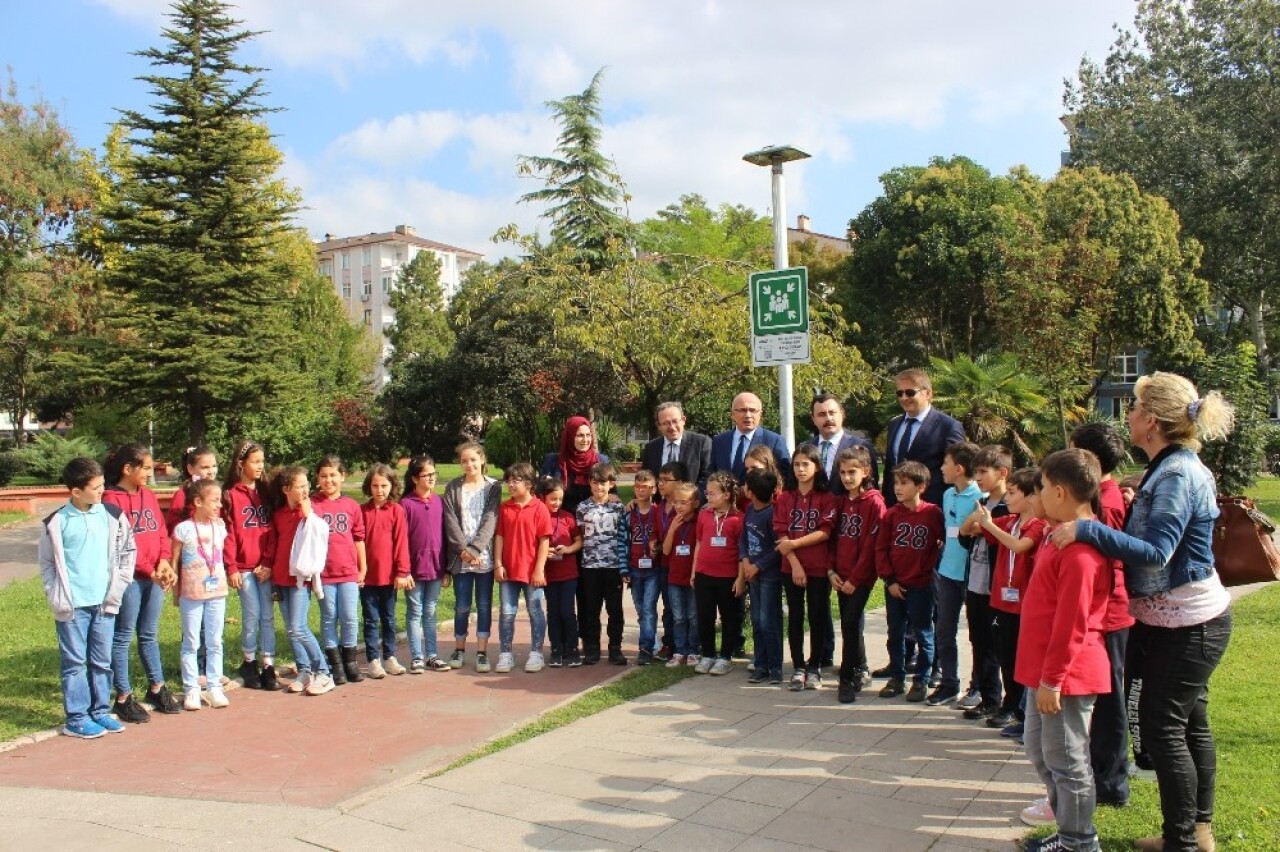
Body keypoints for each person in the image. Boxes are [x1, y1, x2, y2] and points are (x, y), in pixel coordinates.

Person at [1050, 373, 1234, 852]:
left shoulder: (1176, 473)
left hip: (1189, 624)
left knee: (1164, 728)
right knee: (1189, 724)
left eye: (1132, 407)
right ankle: (1195, 832)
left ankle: (1184, 842)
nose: (1126, 415)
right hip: (1177, 619)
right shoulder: (1171, 465)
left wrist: (1087, 531)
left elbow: (1156, 552)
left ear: (1151, 421)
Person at [1017, 449, 1115, 852]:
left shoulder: (1080, 553)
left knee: (1068, 762)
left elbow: (1073, 623)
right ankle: (1067, 828)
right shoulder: (1059, 534)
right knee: (1040, 752)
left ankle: (1080, 841)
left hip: (1065, 676)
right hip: (1040, 670)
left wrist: (1052, 680)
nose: (1034, 494)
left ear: (1058, 492)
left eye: (1039, 487)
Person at [39, 457, 136, 738]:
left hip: (104, 603)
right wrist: (55, 594)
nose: (101, 491)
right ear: (75, 492)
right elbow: (46, 563)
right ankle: (77, 717)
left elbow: (128, 552)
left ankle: (100, 710)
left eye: (102, 485)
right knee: (74, 662)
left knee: (101, 660)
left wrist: (118, 586)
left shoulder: (113, 516)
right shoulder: (56, 522)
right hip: (72, 607)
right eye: (95, 487)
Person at [1069, 422, 1135, 810]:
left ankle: (1111, 783)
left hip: (1110, 612)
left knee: (1111, 701)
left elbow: (1108, 562)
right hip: (1105, 611)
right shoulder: (1104, 495)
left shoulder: (1106, 502)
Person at [103, 443, 180, 721]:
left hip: (153, 576)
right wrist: (151, 570)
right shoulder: (111, 500)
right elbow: (120, 545)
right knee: (123, 635)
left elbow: (160, 531)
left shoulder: (148, 495)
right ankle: (122, 695)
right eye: (146, 468)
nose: (150, 473)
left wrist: (164, 562)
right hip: (129, 579)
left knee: (149, 633)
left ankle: (157, 687)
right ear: (128, 469)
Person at [975, 467, 1047, 735]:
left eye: (1013, 492)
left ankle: (1021, 710)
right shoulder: (1010, 521)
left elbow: (1019, 546)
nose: (1007, 497)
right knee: (1005, 656)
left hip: (1024, 604)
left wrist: (989, 523)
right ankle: (1012, 706)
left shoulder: (1037, 525)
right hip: (1001, 602)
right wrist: (982, 513)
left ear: (1031, 497)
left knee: (1022, 659)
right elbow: (969, 528)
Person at [262, 465, 334, 696]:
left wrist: (308, 513)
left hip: (300, 579)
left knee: (298, 627)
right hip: (281, 577)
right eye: (300, 486)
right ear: (286, 490)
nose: (305, 490)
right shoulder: (280, 515)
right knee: (291, 630)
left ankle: (323, 671)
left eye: (306, 485)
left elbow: (320, 534)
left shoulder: (310, 512)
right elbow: (275, 544)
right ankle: (304, 670)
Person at [876, 461, 944, 701]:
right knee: (895, 633)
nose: (898, 488)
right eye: (896, 482)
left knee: (924, 633)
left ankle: (922, 680)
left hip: (922, 585)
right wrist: (890, 580)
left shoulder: (933, 513)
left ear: (921, 486)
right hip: (895, 586)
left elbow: (943, 541)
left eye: (904, 483)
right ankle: (897, 677)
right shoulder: (892, 514)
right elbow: (881, 549)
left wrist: (931, 567)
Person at [774, 443, 838, 691]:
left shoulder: (827, 498)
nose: (800, 469)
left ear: (817, 466)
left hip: (819, 567)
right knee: (796, 616)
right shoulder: (785, 498)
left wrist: (794, 543)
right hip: (791, 568)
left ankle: (815, 667)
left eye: (806, 464)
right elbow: (780, 533)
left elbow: (825, 532)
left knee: (818, 615)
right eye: (797, 464)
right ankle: (799, 666)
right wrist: (794, 563)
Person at [957, 445, 1011, 719]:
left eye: (982, 472)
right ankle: (988, 698)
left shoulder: (1009, 504)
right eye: (975, 471)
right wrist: (974, 524)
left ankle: (1010, 704)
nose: (977, 477)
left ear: (1002, 473)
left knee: (1001, 646)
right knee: (979, 642)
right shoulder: (983, 502)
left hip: (998, 588)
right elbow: (964, 534)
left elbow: (987, 530)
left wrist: (980, 525)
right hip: (976, 584)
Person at [170, 478, 233, 711]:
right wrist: (176, 593)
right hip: (192, 594)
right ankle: (192, 688)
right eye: (214, 500)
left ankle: (214, 686)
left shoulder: (220, 527)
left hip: (217, 591)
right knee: (192, 641)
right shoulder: (183, 529)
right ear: (198, 501)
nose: (219, 505)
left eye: (220, 500)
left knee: (215, 640)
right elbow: (174, 563)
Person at [829, 446, 885, 704]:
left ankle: (847, 678)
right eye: (843, 472)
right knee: (849, 625)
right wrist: (831, 570)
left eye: (852, 472)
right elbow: (831, 540)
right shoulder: (840, 502)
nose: (847, 477)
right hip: (839, 575)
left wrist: (855, 579)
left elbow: (872, 545)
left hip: (859, 578)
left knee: (850, 623)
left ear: (866, 472)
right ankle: (860, 666)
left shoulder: (874, 502)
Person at [221, 439, 278, 691]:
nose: (260, 466)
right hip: (243, 568)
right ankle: (249, 661)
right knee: (251, 613)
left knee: (267, 615)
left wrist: (268, 562)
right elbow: (229, 534)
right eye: (255, 461)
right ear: (241, 463)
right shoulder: (230, 495)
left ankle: (268, 663)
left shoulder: (266, 492)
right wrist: (231, 566)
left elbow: (273, 530)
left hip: (264, 567)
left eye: (262, 462)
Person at [930, 441, 983, 706]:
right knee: (944, 628)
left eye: (945, 464)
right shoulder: (948, 495)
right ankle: (949, 683)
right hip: (948, 571)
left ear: (959, 469)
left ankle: (978, 685)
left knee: (977, 634)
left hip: (973, 574)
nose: (941, 468)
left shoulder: (980, 497)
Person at [443, 442, 502, 672]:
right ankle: (459, 649)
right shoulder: (453, 488)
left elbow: (491, 519)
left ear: (482, 460)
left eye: (473, 460)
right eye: (464, 461)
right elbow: (451, 522)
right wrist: (464, 551)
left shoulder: (493, 487)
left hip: (484, 558)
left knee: (485, 605)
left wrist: (476, 550)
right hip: (461, 559)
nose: (469, 464)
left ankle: (481, 652)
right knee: (462, 605)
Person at [493, 462, 552, 673]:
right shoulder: (505, 507)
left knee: (535, 611)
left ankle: (536, 653)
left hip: (531, 571)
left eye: (515, 481)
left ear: (528, 484)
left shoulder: (539, 508)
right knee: (507, 613)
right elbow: (499, 536)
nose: (510, 485)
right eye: (508, 481)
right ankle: (505, 654)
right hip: (508, 570)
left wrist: (539, 569)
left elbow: (544, 541)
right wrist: (498, 564)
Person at [313, 455, 366, 685]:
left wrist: (362, 567)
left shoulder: (352, 506)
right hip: (324, 573)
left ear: (342, 476)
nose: (328, 480)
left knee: (350, 617)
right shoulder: (313, 505)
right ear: (317, 479)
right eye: (323, 476)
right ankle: (334, 663)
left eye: (333, 475)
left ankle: (350, 661)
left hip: (348, 572)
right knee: (329, 617)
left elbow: (358, 539)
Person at [881, 369, 966, 507]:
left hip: (931, 507)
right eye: (899, 393)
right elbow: (890, 467)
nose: (903, 398)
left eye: (910, 392)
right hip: (895, 508)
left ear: (927, 393)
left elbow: (957, 470)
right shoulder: (894, 424)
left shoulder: (948, 426)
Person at [691, 471, 744, 675]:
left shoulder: (738, 519)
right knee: (705, 616)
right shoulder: (704, 515)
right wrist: (694, 571)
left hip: (728, 576)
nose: (708, 497)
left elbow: (742, 551)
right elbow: (699, 542)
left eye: (712, 493)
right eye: (707, 493)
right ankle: (708, 654)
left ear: (726, 495)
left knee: (729, 617)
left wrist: (740, 578)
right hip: (704, 574)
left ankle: (725, 656)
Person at [360, 464, 410, 678]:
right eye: (375, 485)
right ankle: (373, 659)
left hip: (389, 576)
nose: (379, 490)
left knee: (388, 618)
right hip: (366, 576)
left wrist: (402, 571)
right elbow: (356, 542)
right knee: (370, 618)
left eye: (384, 485)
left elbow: (401, 543)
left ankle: (389, 656)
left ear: (392, 486)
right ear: (368, 487)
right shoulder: (361, 511)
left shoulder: (397, 511)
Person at [576, 462, 628, 665]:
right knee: (591, 609)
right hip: (590, 567)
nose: (599, 488)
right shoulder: (582, 507)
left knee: (614, 609)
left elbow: (624, 534)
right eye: (595, 483)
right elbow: (580, 536)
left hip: (613, 566)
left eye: (603, 484)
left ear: (611, 484)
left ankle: (615, 648)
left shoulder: (618, 506)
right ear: (589, 483)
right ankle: (591, 648)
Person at [402, 455, 449, 673]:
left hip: (436, 567)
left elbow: (446, 535)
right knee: (415, 611)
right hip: (413, 569)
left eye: (433, 474)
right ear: (414, 478)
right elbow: (401, 541)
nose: (431, 478)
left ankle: (432, 655)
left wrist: (447, 568)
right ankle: (417, 657)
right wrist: (404, 570)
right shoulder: (406, 504)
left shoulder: (439, 501)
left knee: (430, 611)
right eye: (426, 475)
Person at [740, 468, 783, 685]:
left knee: (769, 620)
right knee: (756, 619)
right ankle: (760, 664)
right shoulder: (749, 511)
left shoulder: (772, 514)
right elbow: (744, 540)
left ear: (752, 491)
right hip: (753, 573)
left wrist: (759, 566)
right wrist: (746, 561)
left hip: (769, 576)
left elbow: (778, 548)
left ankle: (775, 667)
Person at [538, 477, 582, 667]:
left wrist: (569, 549)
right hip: (549, 574)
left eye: (560, 499)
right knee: (553, 612)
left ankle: (572, 649)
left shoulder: (568, 517)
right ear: (543, 498)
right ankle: (556, 649)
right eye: (553, 499)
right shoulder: (539, 516)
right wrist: (543, 552)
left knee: (567, 611)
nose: (556, 503)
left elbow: (579, 541)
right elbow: (533, 543)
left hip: (568, 574)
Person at [800, 393, 880, 496]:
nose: (828, 418)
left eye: (832, 412)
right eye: (822, 414)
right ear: (813, 419)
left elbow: (871, 487)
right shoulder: (804, 448)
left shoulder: (860, 446)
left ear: (842, 414)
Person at [623, 470, 662, 665]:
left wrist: (657, 548)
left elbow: (662, 538)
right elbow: (623, 542)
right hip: (634, 567)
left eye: (645, 487)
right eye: (637, 487)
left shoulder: (658, 511)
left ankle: (645, 648)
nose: (641, 491)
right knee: (640, 608)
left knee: (648, 608)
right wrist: (624, 569)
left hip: (653, 568)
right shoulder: (629, 513)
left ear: (654, 489)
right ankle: (652, 640)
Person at [711, 392, 792, 484]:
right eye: (742, 410)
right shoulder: (719, 441)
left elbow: (786, 475)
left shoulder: (774, 441)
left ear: (760, 414)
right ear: (732, 414)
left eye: (753, 410)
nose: (748, 415)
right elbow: (711, 473)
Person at [662, 482, 701, 668]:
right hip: (675, 578)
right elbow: (666, 551)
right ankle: (679, 650)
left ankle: (693, 650)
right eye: (676, 502)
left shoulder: (699, 521)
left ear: (694, 503)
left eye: (684, 502)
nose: (678, 506)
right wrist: (671, 530)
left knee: (693, 616)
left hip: (692, 577)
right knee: (678, 616)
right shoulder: (673, 520)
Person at [653, 461, 689, 661]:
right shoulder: (658, 507)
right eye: (660, 479)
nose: (661, 484)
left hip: (683, 563)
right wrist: (653, 543)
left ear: (680, 482)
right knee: (669, 606)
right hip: (664, 564)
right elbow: (657, 534)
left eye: (667, 480)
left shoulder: (686, 509)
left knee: (687, 608)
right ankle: (670, 644)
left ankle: (689, 645)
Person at [540, 416, 611, 515]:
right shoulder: (552, 461)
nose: (585, 440)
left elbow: (612, 491)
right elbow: (539, 491)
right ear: (570, 436)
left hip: (594, 519)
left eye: (588, 435)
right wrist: (545, 481)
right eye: (580, 435)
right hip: (561, 519)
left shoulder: (601, 460)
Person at [642, 402, 713, 492]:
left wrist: (692, 499)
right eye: (666, 423)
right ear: (659, 426)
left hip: (692, 503)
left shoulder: (701, 443)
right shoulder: (651, 448)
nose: (672, 427)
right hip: (661, 504)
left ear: (683, 420)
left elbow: (708, 477)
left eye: (675, 421)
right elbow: (646, 479)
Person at [165, 445, 218, 533]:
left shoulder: (217, 492)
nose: (211, 472)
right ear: (190, 469)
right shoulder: (183, 494)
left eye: (214, 466)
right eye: (205, 467)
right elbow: (173, 528)